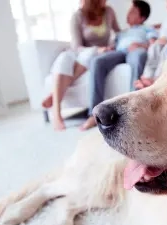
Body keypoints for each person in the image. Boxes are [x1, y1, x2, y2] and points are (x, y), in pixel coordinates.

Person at [42, 0, 121, 131]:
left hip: (96, 54)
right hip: (81, 52)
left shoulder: (108, 12)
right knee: (63, 58)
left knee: (91, 54)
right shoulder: (77, 16)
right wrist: (97, 49)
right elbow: (76, 46)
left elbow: (118, 31)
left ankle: (56, 92)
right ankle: (57, 114)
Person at [80, 0, 156, 130]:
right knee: (97, 61)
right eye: (129, 10)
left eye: (133, 11)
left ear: (142, 17)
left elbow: (154, 43)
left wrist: (140, 45)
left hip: (136, 50)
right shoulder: (121, 33)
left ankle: (134, 110)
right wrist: (109, 48)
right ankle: (93, 114)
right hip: (119, 52)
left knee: (139, 56)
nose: (128, 13)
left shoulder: (148, 29)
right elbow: (114, 45)